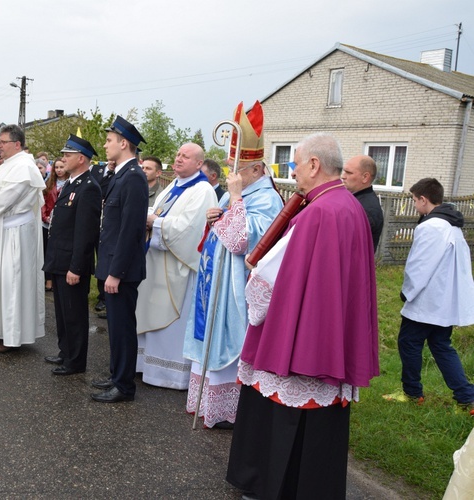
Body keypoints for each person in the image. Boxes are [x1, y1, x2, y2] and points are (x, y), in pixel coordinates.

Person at [226, 132, 379, 499]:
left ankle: (272, 487)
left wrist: (253, 298)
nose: (293, 172)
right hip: (332, 330)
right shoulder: (349, 206)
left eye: (295, 164)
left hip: (302, 333)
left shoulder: (317, 213)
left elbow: (268, 278)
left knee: (283, 410)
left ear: (314, 164)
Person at [182, 101, 283, 429]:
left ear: (255, 169)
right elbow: (228, 229)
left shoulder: (266, 199)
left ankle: (228, 410)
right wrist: (217, 216)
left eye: (236, 167)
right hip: (216, 282)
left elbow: (243, 242)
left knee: (228, 342)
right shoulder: (239, 191)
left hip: (236, 289)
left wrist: (234, 199)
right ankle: (208, 404)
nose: (230, 173)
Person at [384, 178, 474, 413]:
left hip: (427, 300)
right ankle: (467, 398)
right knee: (441, 345)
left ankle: (412, 393)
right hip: (444, 301)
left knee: (409, 342)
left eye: (414, 200)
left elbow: (420, 265)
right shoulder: (451, 225)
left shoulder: (431, 227)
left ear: (423, 199)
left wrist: (408, 291)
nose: (414, 205)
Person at [135, 143, 217, 390]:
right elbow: (160, 211)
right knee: (149, 312)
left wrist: (155, 223)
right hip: (157, 263)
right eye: (178, 154)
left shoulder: (202, 190)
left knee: (171, 322)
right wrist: (152, 218)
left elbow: (190, 229)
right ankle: (146, 365)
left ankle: (169, 374)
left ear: (199, 164)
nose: (179, 159)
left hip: (177, 268)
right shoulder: (174, 185)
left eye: (186, 156)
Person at [0, 124, 46, 353]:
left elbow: (6, 198)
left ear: (16, 144)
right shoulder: (9, 165)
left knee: (10, 284)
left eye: (2, 142)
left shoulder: (24, 167)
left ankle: (10, 337)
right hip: (0, 231)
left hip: (14, 236)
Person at [91, 116, 148, 403]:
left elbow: (130, 230)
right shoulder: (121, 174)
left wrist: (116, 272)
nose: (105, 144)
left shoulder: (134, 177)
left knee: (123, 328)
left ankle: (124, 386)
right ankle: (117, 375)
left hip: (122, 270)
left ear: (124, 143)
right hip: (114, 265)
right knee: (115, 327)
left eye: (109, 140)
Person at [43, 135, 102, 375]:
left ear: (81, 159)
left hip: (71, 263)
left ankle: (75, 361)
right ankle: (65, 352)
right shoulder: (71, 183)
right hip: (59, 259)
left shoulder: (88, 187)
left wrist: (77, 268)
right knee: (62, 311)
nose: (63, 158)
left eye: (68, 155)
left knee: (75, 313)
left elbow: (85, 233)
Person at [341, 154, 383, 251]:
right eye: (344, 171)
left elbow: (349, 247)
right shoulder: (356, 200)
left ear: (365, 177)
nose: (343, 176)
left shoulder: (365, 208)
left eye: (349, 173)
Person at [41, 158, 69, 292]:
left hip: (63, 224)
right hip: (48, 223)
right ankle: (49, 279)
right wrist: (45, 217)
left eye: (61, 167)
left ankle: (58, 278)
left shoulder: (70, 183)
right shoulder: (50, 183)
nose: (59, 170)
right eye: (56, 167)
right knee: (48, 252)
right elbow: (44, 202)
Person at [93, 159, 116, 319]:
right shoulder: (96, 170)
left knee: (106, 258)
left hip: (108, 222)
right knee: (98, 259)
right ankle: (100, 295)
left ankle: (105, 298)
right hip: (94, 219)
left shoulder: (119, 176)